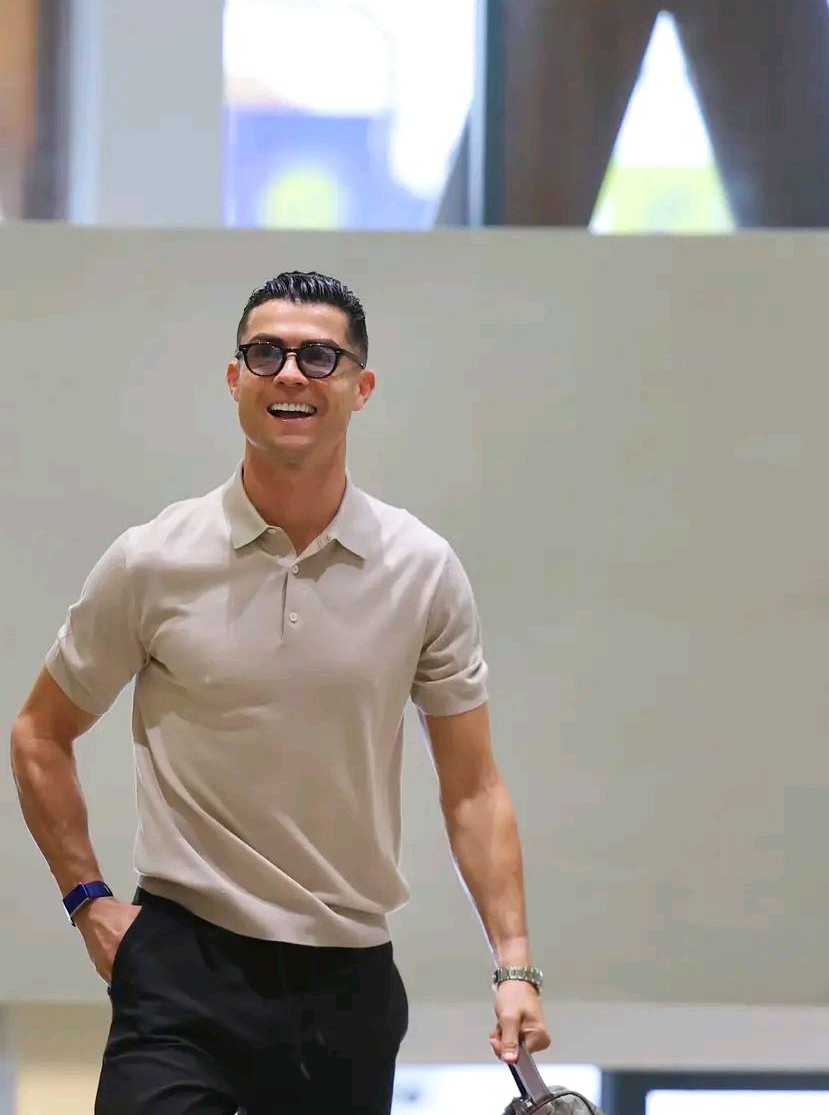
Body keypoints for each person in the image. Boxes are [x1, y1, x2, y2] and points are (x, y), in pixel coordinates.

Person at [9, 269, 550, 1115]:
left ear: (361, 387)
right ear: (236, 380)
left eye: (319, 356)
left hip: (347, 979)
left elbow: (474, 788)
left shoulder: (423, 570)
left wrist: (513, 964)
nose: (290, 373)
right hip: (181, 961)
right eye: (266, 353)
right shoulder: (152, 560)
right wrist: (87, 901)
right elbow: (39, 733)